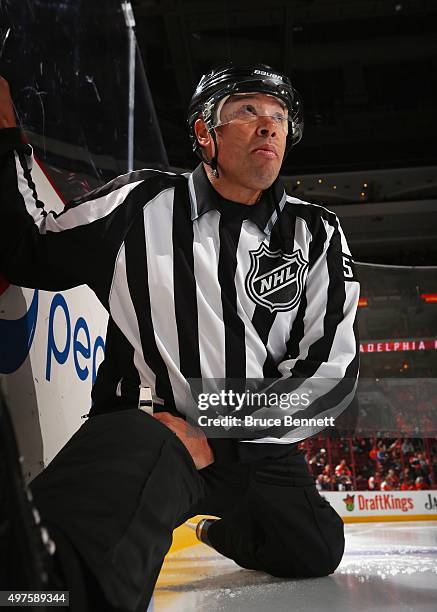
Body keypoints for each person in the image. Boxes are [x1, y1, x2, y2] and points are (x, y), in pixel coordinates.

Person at [0, 64, 360, 611]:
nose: (268, 126)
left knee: (316, 548)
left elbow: (331, 377)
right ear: (203, 134)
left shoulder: (315, 230)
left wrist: (215, 437)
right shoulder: (140, 203)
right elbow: (32, 250)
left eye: (279, 116)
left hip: (252, 450)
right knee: (71, 569)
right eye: (246, 110)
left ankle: (215, 531)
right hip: (153, 428)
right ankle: (36, 596)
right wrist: (7, 140)